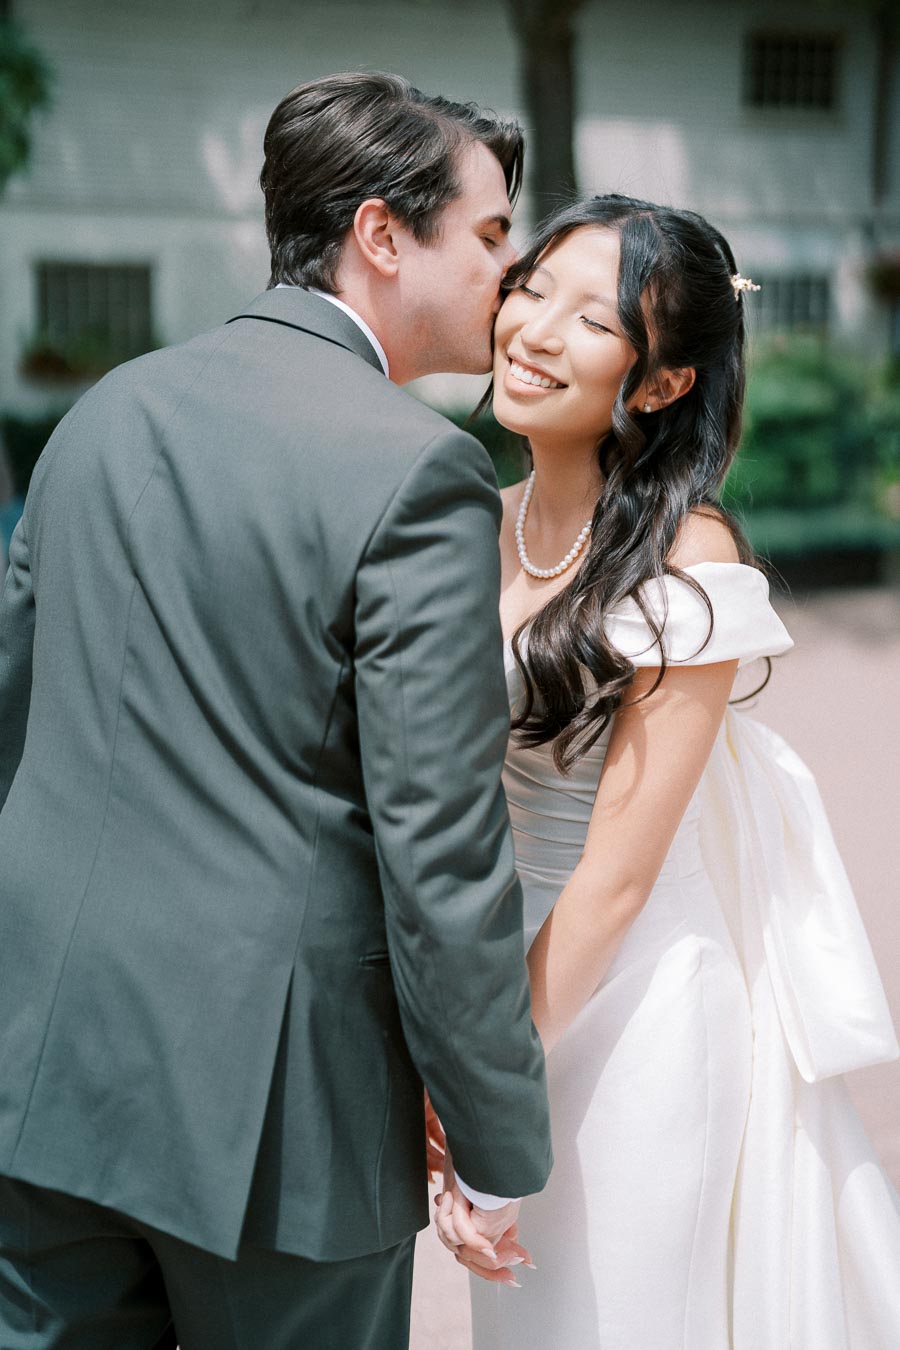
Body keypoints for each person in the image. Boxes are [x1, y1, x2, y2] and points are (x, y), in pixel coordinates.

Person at [0, 72, 552, 1350]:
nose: (508, 271)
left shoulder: (103, 412)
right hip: (276, 1124)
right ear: (379, 235)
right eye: (487, 233)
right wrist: (493, 1139)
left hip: (41, 1068)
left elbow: (14, 724)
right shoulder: (418, 470)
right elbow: (442, 852)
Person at [433, 194, 900, 1347]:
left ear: (660, 383)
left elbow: (620, 877)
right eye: (531, 287)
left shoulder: (690, 556)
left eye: (591, 319)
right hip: (501, 980)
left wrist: (490, 1094)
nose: (532, 330)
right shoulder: (468, 525)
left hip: (638, 999)